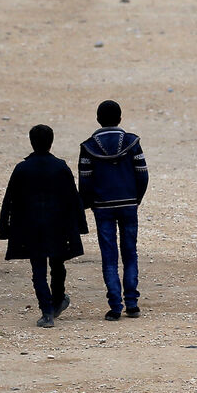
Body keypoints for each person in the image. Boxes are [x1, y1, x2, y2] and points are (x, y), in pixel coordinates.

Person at [0, 124, 87, 328]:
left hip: (31, 228)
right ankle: (57, 303)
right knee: (58, 266)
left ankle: (47, 312)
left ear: (31, 142)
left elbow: (9, 200)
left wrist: (5, 229)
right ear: (51, 142)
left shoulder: (22, 169)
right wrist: (80, 226)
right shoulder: (60, 167)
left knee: (38, 271)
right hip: (58, 227)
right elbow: (73, 199)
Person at [78, 100, 149, 321]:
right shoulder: (132, 142)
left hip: (103, 208)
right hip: (128, 204)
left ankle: (115, 306)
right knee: (130, 253)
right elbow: (142, 174)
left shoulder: (88, 146)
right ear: (120, 118)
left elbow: (84, 181)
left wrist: (88, 203)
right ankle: (132, 304)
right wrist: (135, 199)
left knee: (109, 257)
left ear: (98, 119)